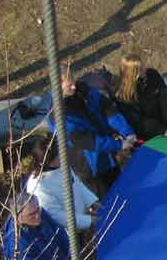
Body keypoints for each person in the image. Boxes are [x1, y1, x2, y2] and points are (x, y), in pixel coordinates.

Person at [52, 62, 135, 194]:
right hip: (89, 167)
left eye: (72, 79)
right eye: (69, 85)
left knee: (121, 191)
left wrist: (126, 131)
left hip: (107, 156)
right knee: (106, 202)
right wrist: (118, 145)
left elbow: (107, 109)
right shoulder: (58, 113)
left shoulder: (84, 91)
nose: (74, 86)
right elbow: (87, 140)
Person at [25, 140, 99, 232]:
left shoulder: (62, 166)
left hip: (83, 221)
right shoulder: (40, 186)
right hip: (68, 234)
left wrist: (92, 202)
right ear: (48, 160)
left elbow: (77, 184)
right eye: (59, 155)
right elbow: (57, 216)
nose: (64, 156)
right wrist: (88, 221)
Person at [113, 51, 167, 140]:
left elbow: (166, 99)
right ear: (132, 73)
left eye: (143, 65)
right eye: (140, 69)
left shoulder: (152, 75)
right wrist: (160, 130)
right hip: (147, 135)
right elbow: (137, 120)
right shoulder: (123, 94)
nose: (144, 69)